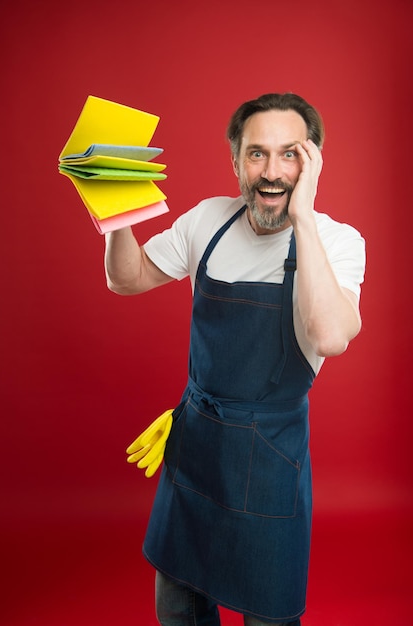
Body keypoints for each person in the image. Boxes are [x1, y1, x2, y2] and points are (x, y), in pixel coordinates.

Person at [104, 93, 366, 626]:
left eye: (289, 154)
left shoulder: (338, 242)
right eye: (256, 154)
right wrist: (113, 203)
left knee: (268, 614)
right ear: (235, 160)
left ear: (313, 161)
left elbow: (329, 335)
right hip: (194, 444)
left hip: (270, 461)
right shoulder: (208, 220)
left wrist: (304, 218)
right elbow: (124, 278)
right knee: (178, 607)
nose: (272, 172)